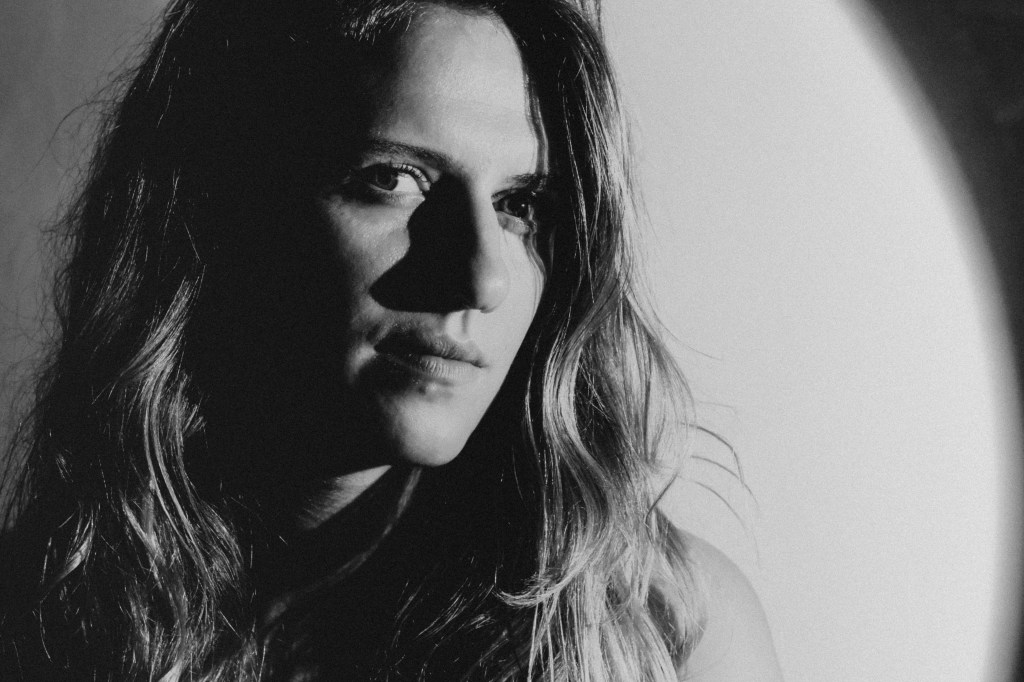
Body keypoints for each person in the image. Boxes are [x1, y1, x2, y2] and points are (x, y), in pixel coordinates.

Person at [0, 0, 783, 679]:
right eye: (393, 179)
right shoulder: (38, 614)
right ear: (224, 201)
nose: (482, 278)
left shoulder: (659, 632)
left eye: (520, 205)